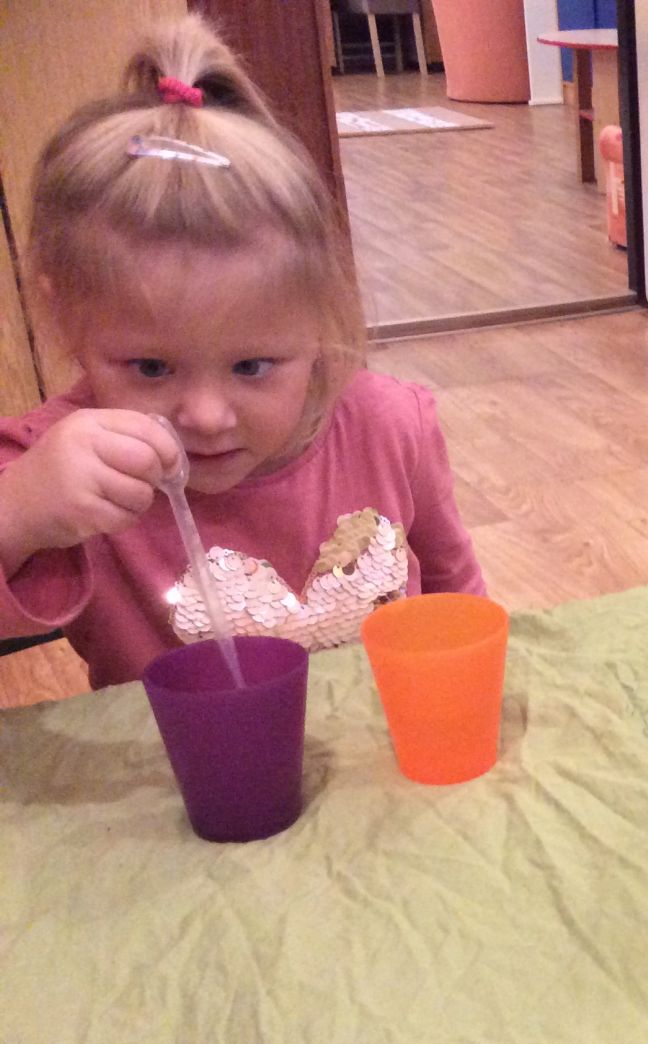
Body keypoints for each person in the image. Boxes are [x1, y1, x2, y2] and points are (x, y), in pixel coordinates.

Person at [0, 15, 484, 689]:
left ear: (318, 321)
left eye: (252, 366)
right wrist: (18, 515)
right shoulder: (48, 464)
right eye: (151, 367)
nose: (205, 416)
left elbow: (458, 597)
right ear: (65, 317)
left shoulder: (390, 425)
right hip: (172, 759)